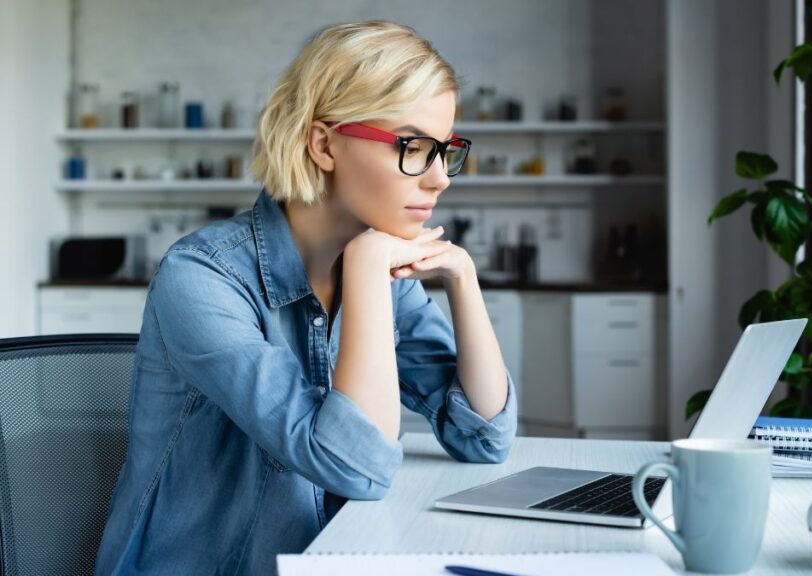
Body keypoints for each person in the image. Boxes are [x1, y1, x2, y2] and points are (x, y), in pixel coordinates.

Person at [94, 21, 516, 575]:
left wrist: (463, 279)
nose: (440, 180)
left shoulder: (383, 273)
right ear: (324, 144)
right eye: (414, 147)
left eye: (447, 151)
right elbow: (356, 468)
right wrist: (365, 269)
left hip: (329, 559)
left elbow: (483, 439)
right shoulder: (201, 277)